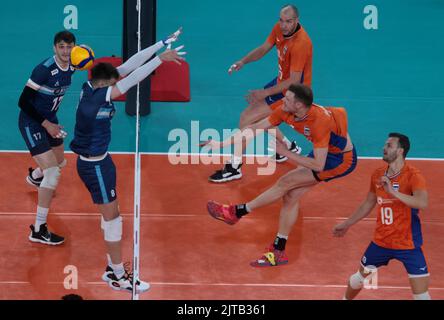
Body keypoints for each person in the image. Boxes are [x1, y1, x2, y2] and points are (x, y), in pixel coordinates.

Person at [69, 29, 185, 292]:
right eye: (113, 84)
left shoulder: (90, 86)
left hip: (101, 161)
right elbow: (132, 78)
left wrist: (161, 44)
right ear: (104, 85)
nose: (116, 87)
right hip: (93, 165)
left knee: (113, 215)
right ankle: (117, 276)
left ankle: (113, 267)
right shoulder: (99, 97)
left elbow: (128, 66)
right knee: (113, 220)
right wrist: (160, 60)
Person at [203, 84, 357, 266]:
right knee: (291, 196)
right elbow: (254, 128)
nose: (283, 100)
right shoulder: (285, 110)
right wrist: (221, 144)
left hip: (339, 160)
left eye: (288, 99)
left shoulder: (319, 122)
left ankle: (236, 212)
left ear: (299, 105)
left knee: (286, 181)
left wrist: (286, 152)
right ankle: (278, 251)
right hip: (323, 154)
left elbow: (318, 165)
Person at [209, 4, 312, 182]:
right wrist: (243, 61)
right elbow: (264, 48)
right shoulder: (279, 29)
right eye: (281, 20)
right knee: (261, 118)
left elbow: (294, 81)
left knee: (246, 118)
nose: (284, 25)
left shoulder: (301, 43)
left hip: (295, 92)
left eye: (288, 21)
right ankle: (288, 146)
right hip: (281, 82)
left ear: (297, 21)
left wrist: (264, 93)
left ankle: (234, 167)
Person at [333, 133, 431, 300]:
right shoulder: (378, 174)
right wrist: (347, 223)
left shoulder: (414, 175)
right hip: (381, 242)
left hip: (408, 244)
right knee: (357, 280)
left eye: (389, 146)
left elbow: (422, 202)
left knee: (421, 295)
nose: (384, 148)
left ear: (400, 151)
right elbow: (368, 203)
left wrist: (393, 192)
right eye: (385, 145)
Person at [18, 30, 76, 245]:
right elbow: (23, 102)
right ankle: (39, 229)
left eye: (69, 47)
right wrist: (47, 125)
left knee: (60, 161)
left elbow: (107, 71)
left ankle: (35, 177)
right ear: (54, 48)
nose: (65, 51)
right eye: (61, 46)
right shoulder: (44, 70)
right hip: (32, 122)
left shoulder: (74, 63)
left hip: (50, 118)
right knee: (53, 174)